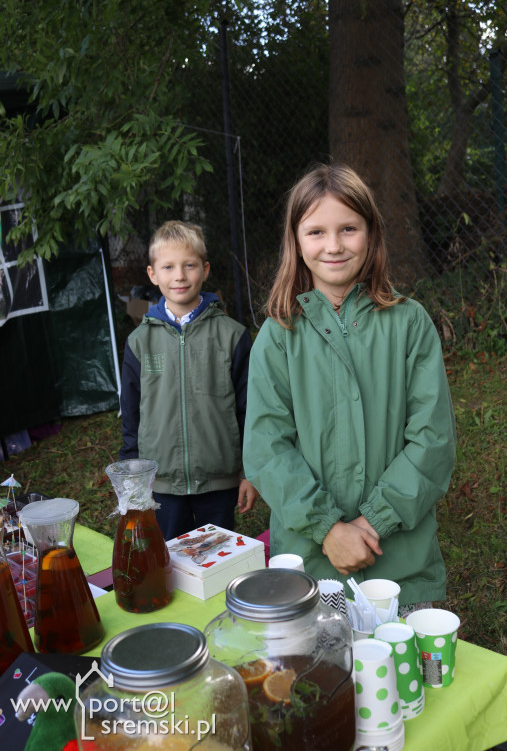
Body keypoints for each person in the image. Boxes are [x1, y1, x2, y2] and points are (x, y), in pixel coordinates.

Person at [243, 163, 456, 613]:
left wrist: (373, 523)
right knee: (323, 682)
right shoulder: (277, 336)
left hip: (403, 567)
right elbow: (266, 448)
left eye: (348, 229)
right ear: (296, 243)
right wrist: (328, 529)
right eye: (316, 232)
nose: (334, 246)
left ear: (371, 234)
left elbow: (433, 441)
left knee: (409, 680)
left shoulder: (410, 323)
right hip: (311, 567)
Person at [120, 220, 258, 539]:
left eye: (189, 265)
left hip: (219, 482)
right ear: (153, 274)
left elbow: (249, 411)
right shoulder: (139, 342)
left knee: (218, 561)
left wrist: (249, 472)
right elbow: (131, 416)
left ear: (205, 269)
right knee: (170, 565)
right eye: (168, 267)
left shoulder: (232, 336)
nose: (179, 276)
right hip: (161, 484)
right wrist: (132, 477)